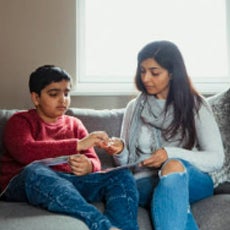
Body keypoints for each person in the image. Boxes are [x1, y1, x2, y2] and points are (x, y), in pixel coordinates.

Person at [100, 40, 225, 229]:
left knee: (173, 165)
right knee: (172, 205)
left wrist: (170, 154)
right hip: (144, 182)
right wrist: (120, 150)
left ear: (173, 73)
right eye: (142, 71)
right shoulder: (134, 108)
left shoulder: (195, 105)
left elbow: (216, 158)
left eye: (154, 72)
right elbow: (128, 165)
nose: (146, 78)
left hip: (191, 179)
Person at [0, 65, 139, 230]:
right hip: (23, 183)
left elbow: (94, 161)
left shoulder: (74, 124)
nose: (62, 99)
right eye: (53, 94)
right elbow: (25, 151)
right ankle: (103, 226)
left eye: (66, 93)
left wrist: (89, 166)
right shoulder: (20, 121)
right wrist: (78, 144)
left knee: (121, 175)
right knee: (36, 170)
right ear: (36, 98)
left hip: (68, 183)